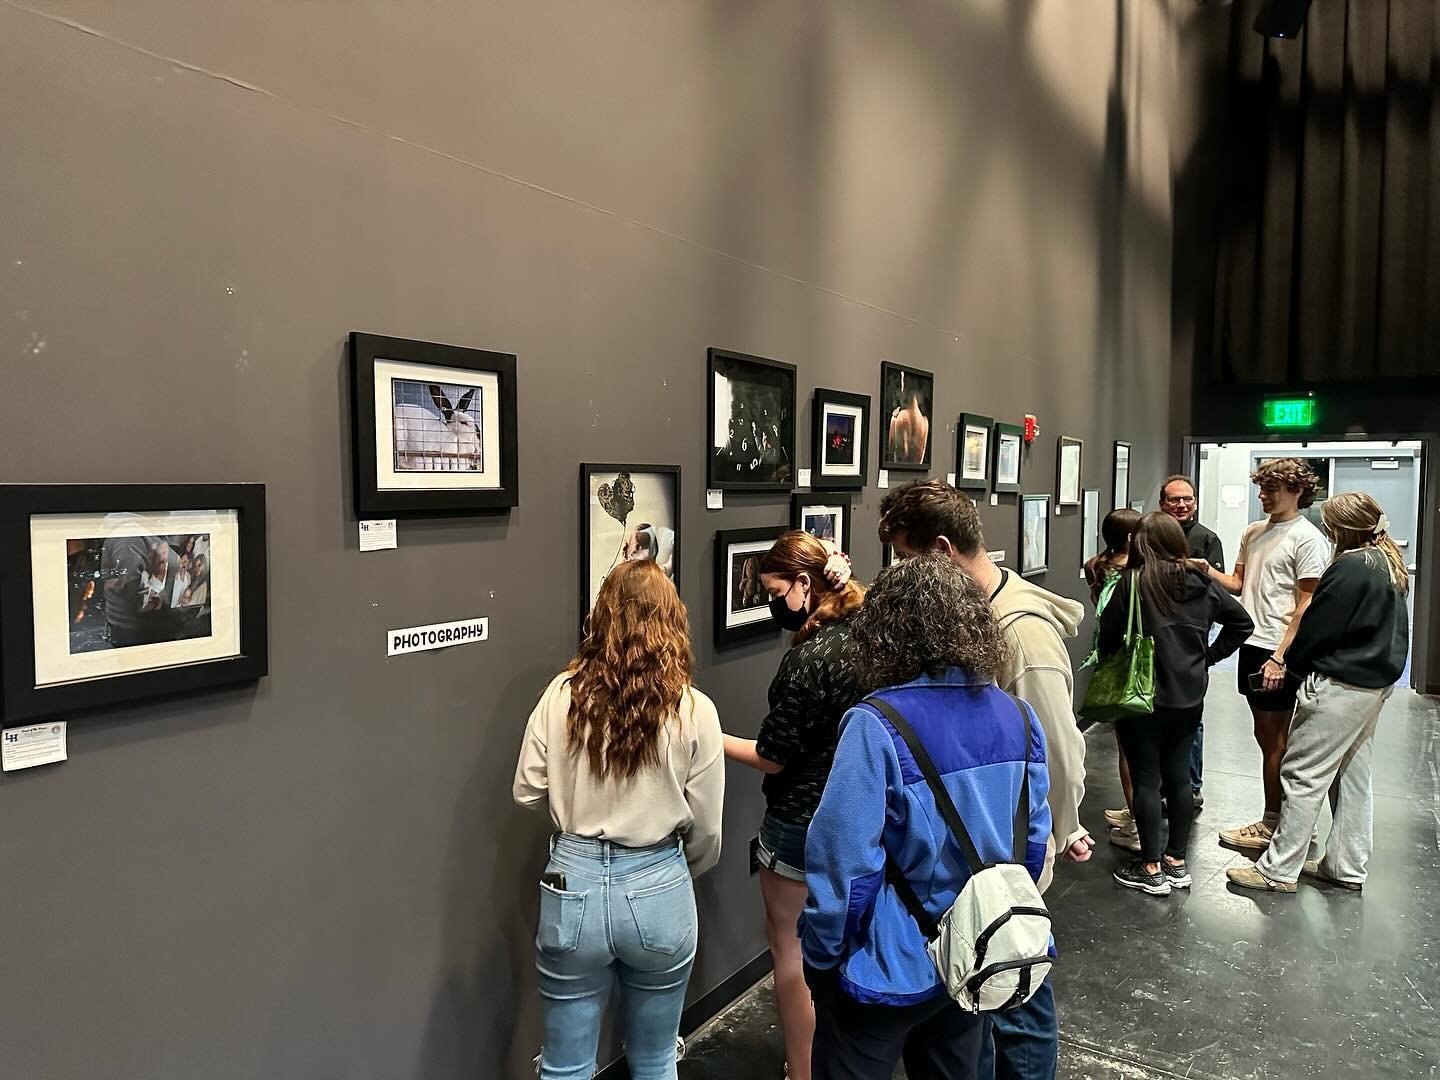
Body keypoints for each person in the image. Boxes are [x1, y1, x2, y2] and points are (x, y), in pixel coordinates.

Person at [800, 554, 1051, 1080]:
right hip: (973, 954)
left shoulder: (876, 723)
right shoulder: (1019, 716)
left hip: (887, 963)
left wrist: (823, 954)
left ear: (885, 632)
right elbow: (1030, 846)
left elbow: (845, 864)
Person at [878, 480, 1089, 1080]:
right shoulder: (968, 623)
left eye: (906, 559)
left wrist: (1056, 834)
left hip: (1004, 867)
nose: (900, 575)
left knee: (1016, 998)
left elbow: (1059, 753)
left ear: (942, 550)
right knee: (984, 1000)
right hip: (970, 862)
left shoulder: (1020, 635)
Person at [512, 560, 725, 1080]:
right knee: (654, 1061)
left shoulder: (559, 696)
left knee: (565, 1067)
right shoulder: (695, 709)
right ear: (672, 618)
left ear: (599, 618)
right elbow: (708, 828)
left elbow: (526, 791)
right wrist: (672, 872)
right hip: (659, 883)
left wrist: (574, 819)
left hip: (572, 886)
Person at [721, 532, 865, 1080]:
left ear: (804, 584)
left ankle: (803, 1071)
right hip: (862, 819)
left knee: (791, 950)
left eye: (774, 590)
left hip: (801, 823)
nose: (770, 602)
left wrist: (708, 734)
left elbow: (773, 757)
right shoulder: (871, 634)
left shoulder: (808, 661)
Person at [1227, 493, 1410, 894]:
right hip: (1374, 685)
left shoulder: (1348, 566)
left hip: (1340, 685)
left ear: (1340, 528)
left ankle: (1277, 870)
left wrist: (1287, 666)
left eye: (1329, 523)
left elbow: (1318, 628)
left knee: (1302, 773)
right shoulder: (1386, 562)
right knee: (1352, 775)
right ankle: (1345, 866)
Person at [1098, 514, 1253, 896]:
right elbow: (1242, 624)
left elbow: (1108, 638)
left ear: (1142, 543)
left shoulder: (1132, 583)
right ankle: (1177, 862)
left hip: (1142, 695)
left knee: (1147, 779)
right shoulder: (1202, 582)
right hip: (1189, 694)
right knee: (1179, 777)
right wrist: (1207, 656)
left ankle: (1150, 866)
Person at [1202, 459, 1329, 855]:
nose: (1264, 495)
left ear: (1297, 491)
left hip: (1278, 649)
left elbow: (1306, 603)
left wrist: (1280, 657)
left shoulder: (1307, 539)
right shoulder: (1254, 532)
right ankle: (1279, 821)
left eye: (1273, 488)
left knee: (1276, 741)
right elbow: (1239, 585)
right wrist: (1203, 569)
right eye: (1262, 488)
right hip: (1252, 644)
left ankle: (1277, 824)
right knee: (1265, 737)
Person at [1159, 474, 1225, 808]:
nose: (1182, 505)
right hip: (1157, 644)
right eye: (1174, 500)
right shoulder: (1151, 536)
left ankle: (1190, 786)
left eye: (1187, 499)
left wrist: (1208, 653)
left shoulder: (1207, 540)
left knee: (1190, 719)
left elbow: (1219, 597)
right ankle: (1159, 787)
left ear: (1195, 502)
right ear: (1163, 504)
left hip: (1191, 645)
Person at [1082, 508, 1142, 854]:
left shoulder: (1097, 566)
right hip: (1134, 658)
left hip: (1110, 657)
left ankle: (1135, 813)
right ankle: (1136, 822)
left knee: (1128, 743)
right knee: (1134, 747)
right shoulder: (1139, 571)